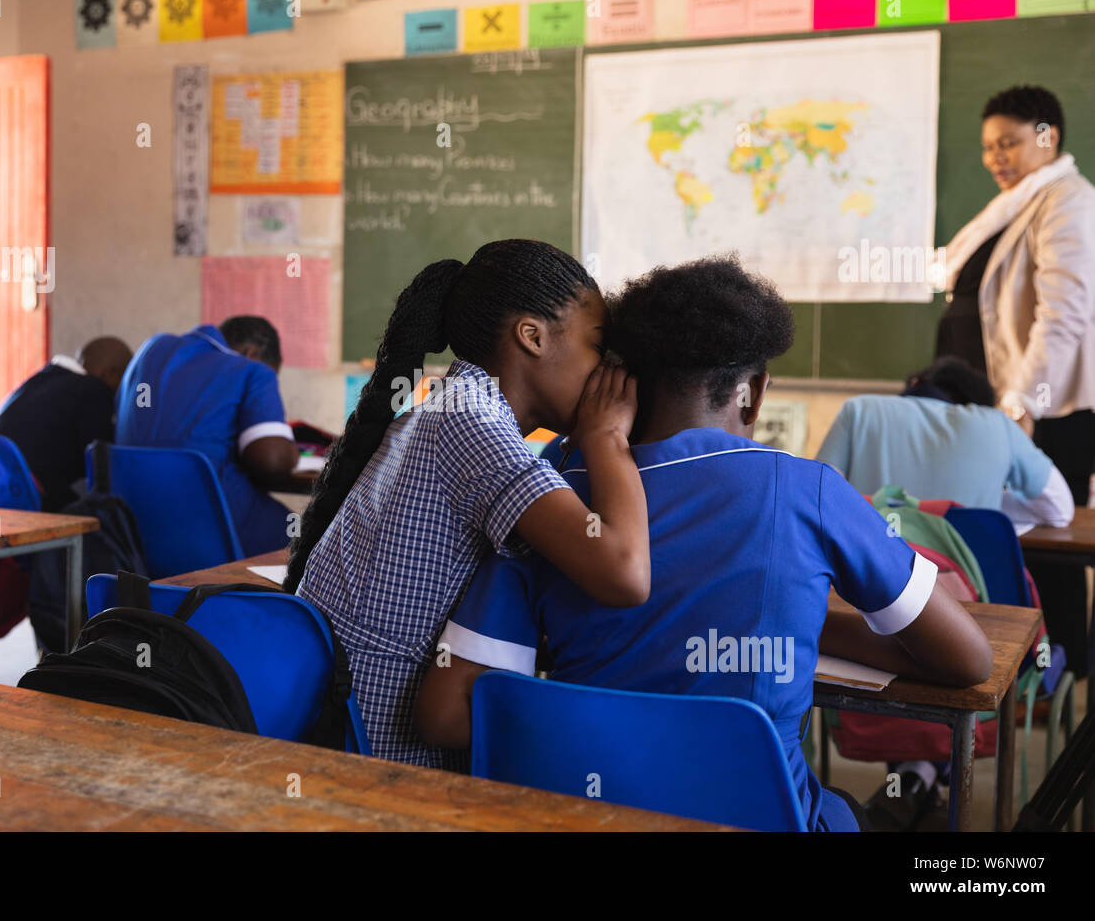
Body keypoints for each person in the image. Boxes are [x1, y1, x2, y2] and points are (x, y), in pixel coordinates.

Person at [415, 256, 993, 830]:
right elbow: (968, 660)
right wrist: (799, 622)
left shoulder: (556, 499)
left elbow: (446, 712)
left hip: (585, 816)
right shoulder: (806, 489)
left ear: (624, 382)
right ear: (755, 393)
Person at [285, 239, 651, 770]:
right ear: (532, 336)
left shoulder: (458, 404)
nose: (607, 372)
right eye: (598, 346)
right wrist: (607, 438)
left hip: (344, 728)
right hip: (380, 764)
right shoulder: (472, 423)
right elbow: (625, 572)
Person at [935, 84, 1095, 677]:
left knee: (1048, 547)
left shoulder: (1067, 200)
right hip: (997, 408)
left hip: (1045, 410)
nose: (994, 158)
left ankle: (1059, 673)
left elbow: (1064, 314)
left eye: (1008, 143)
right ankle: (1021, 669)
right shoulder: (1015, 205)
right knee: (1003, 538)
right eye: (987, 147)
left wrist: (1024, 402)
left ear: (1047, 137)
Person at [816, 357, 1074, 530]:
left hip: (867, 586)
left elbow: (817, 498)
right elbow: (1059, 509)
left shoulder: (859, 410)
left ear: (916, 383)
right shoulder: (997, 424)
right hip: (962, 591)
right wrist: (991, 504)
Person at [116, 315, 299, 557]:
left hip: (130, 530)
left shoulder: (149, 352)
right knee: (299, 529)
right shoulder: (254, 371)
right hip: (208, 529)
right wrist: (292, 453)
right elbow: (271, 460)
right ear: (251, 353)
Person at [0, 337, 132, 512]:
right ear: (111, 373)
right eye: (124, 380)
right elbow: (102, 462)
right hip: (38, 502)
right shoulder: (94, 390)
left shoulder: (39, 381)